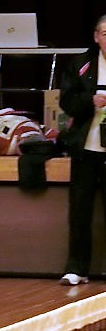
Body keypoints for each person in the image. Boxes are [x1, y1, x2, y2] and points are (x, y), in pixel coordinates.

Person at [58, 14, 106, 286]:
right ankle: (76, 269)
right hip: (85, 149)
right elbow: (67, 101)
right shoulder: (81, 64)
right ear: (96, 37)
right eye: (105, 34)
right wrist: (90, 100)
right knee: (80, 212)